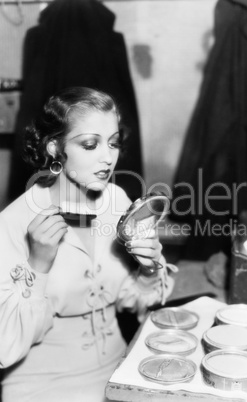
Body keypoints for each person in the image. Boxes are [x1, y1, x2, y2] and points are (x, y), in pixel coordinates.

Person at [0, 87, 177, 402]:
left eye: (113, 143)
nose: (108, 158)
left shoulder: (117, 200)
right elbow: (5, 346)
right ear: (55, 148)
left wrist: (148, 268)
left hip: (119, 367)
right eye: (90, 144)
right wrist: (38, 265)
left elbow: (131, 301)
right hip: (41, 383)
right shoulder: (12, 224)